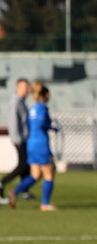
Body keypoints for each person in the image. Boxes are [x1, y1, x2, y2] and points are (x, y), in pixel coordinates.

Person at [9, 83, 58, 211]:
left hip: (31, 142)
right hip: (41, 143)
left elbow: (29, 125)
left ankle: (15, 191)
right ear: (46, 94)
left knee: (36, 175)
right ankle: (45, 204)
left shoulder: (32, 108)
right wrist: (51, 127)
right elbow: (42, 123)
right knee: (49, 173)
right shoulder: (42, 108)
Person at [1, 78, 30, 205]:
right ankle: (2, 182)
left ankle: (25, 192)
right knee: (22, 165)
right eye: (24, 87)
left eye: (28, 87)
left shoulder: (22, 102)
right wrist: (17, 138)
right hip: (19, 139)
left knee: (25, 166)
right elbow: (13, 122)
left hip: (24, 138)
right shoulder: (15, 102)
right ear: (18, 87)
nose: (27, 89)